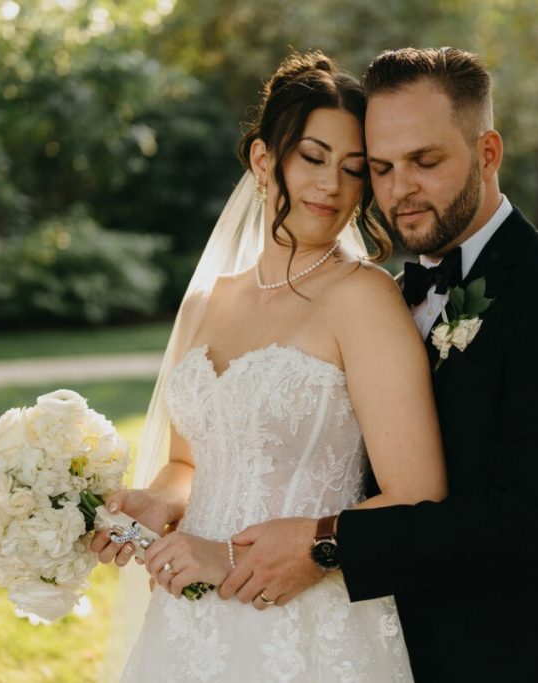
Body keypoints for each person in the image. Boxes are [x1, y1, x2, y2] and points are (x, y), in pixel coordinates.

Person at [218, 47, 538, 682]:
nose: (398, 189)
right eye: (379, 168)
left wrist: (328, 543)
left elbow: (529, 521)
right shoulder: (384, 295)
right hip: (384, 649)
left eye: (425, 161)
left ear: (488, 153)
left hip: (519, 656)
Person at [89, 51, 447, 682]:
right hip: (191, 621)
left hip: (310, 625)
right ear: (263, 160)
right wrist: (155, 502)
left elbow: (417, 494)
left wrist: (236, 552)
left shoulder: (364, 299)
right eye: (312, 158)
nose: (331, 185)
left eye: (353, 169)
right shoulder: (207, 302)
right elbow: (188, 463)